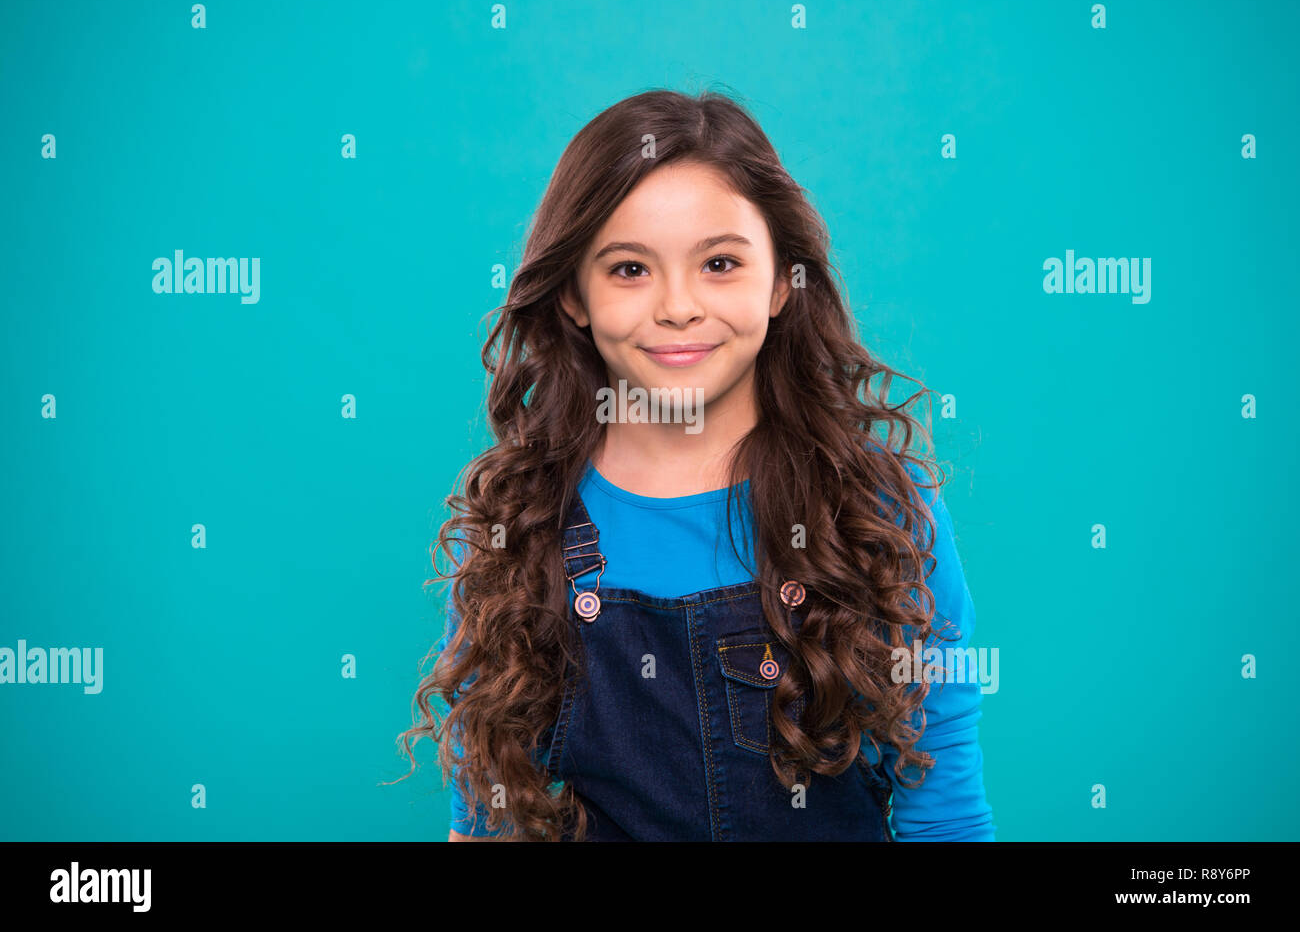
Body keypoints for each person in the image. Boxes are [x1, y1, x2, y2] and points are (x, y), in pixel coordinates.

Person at [395, 87, 995, 841]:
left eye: (718, 262)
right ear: (575, 295)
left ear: (783, 281)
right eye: (628, 269)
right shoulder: (517, 529)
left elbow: (944, 809)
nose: (678, 305)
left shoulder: (880, 513)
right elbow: (482, 821)